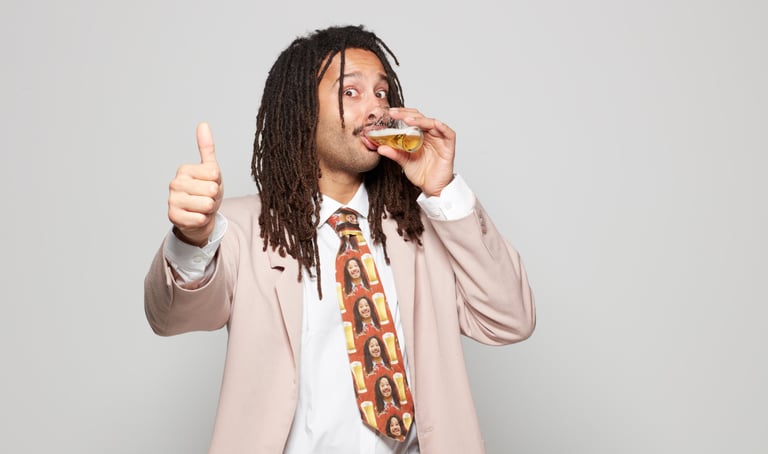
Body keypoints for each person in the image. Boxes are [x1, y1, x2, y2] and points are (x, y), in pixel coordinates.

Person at [144, 24, 536, 453]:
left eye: (382, 93)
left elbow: (510, 319)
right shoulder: (241, 229)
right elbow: (169, 317)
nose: (375, 108)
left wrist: (444, 192)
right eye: (351, 92)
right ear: (302, 111)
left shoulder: (422, 229)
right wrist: (192, 237)